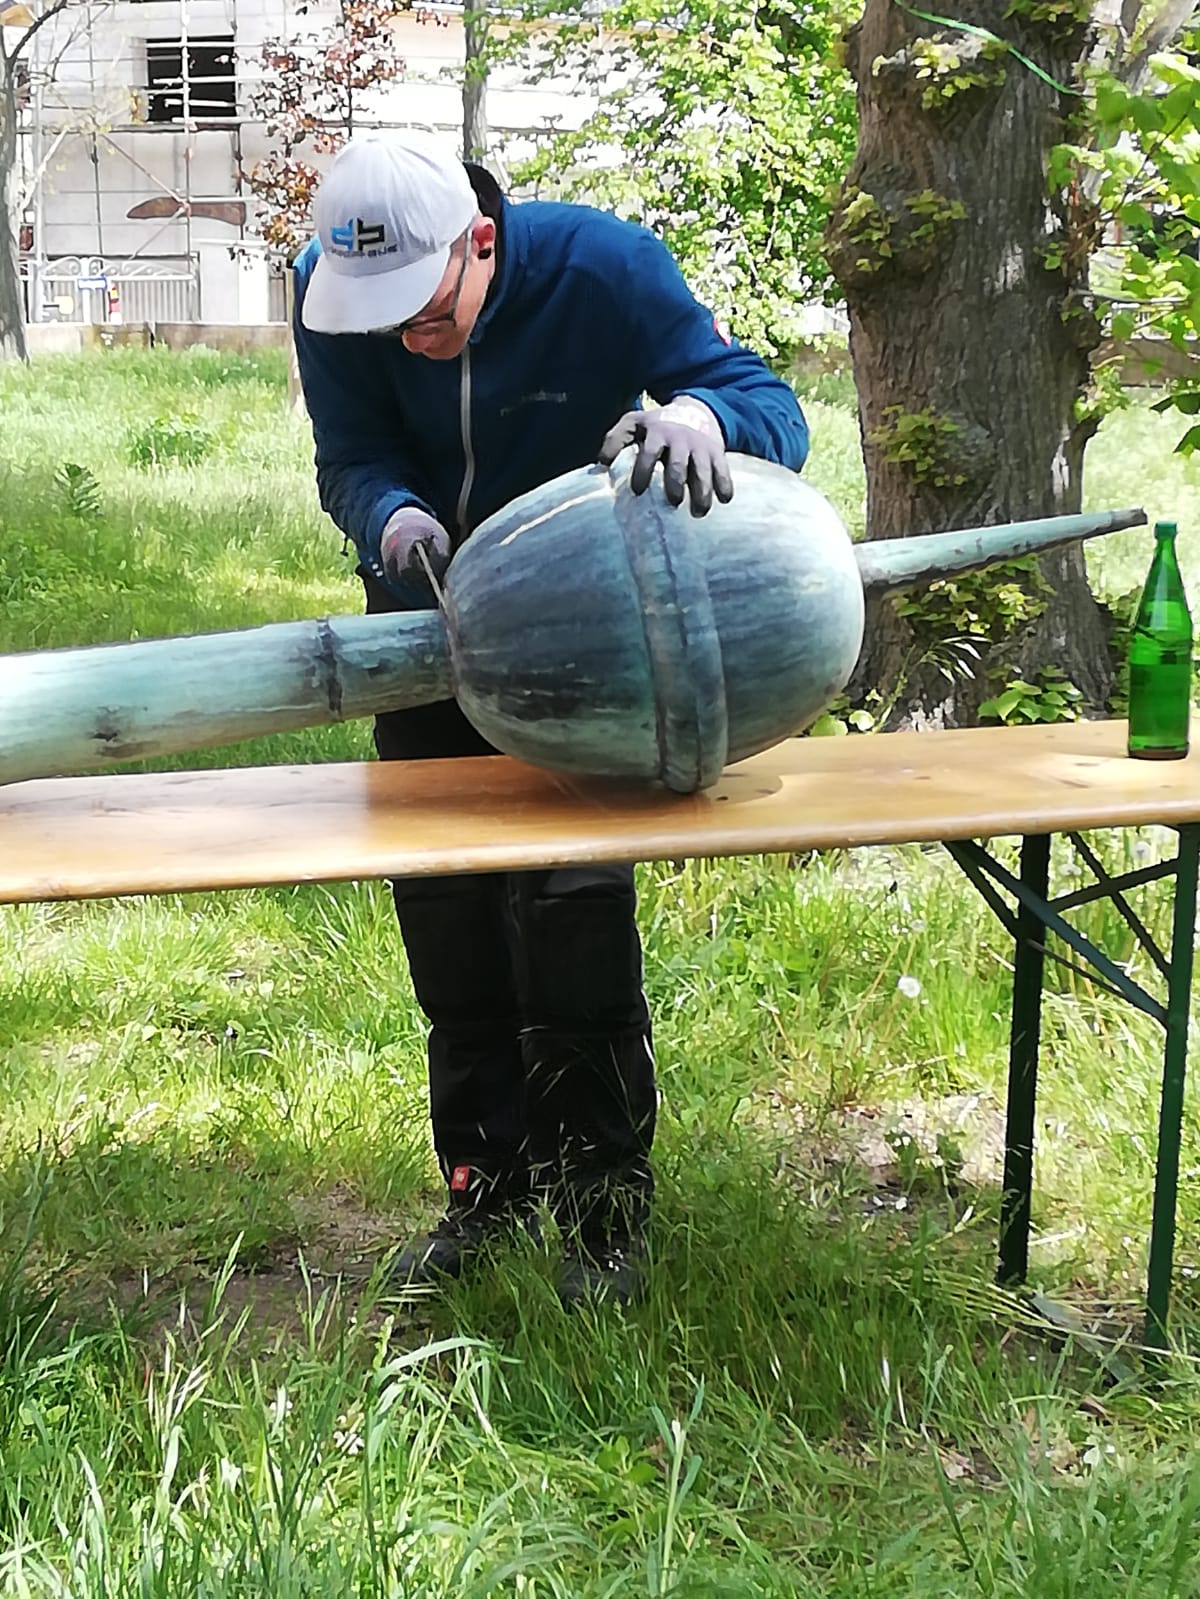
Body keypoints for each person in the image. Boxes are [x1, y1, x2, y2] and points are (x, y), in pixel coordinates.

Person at [292, 130, 809, 1306]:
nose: (403, 341)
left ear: (481, 243)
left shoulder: (603, 267)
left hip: (591, 641)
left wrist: (706, 421)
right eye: (379, 323)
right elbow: (350, 454)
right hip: (423, 635)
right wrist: (390, 518)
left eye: (425, 315)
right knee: (448, 920)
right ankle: (487, 1186)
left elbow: (765, 401)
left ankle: (605, 1215)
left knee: (574, 917)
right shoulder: (335, 296)